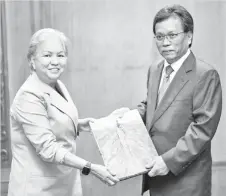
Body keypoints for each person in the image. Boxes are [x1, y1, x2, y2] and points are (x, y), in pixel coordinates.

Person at [7, 28, 118, 196]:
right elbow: (48, 148)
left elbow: (50, 122)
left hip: (62, 182)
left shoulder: (57, 85)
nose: (55, 61)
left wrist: (80, 124)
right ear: (32, 60)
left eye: (60, 55)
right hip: (37, 189)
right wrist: (91, 167)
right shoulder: (28, 96)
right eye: (47, 55)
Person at [136, 4, 222, 196]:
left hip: (186, 178)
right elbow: (153, 107)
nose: (165, 42)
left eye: (172, 35)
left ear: (189, 36)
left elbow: (202, 129)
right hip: (156, 173)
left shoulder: (205, 74)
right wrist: (129, 117)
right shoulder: (155, 69)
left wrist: (168, 161)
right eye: (159, 37)